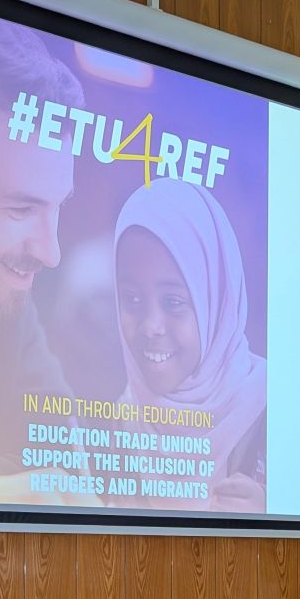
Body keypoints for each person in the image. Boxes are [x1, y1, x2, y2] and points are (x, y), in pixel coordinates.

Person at [0, 9, 87, 501]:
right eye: (20, 209)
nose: (51, 253)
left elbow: (70, 470)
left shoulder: (3, 300)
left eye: (58, 207)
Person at [112, 178, 267, 514]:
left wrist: (271, 513)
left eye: (173, 302)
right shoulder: (119, 422)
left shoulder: (274, 408)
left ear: (217, 302)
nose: (151, 326)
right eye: (132, 299)